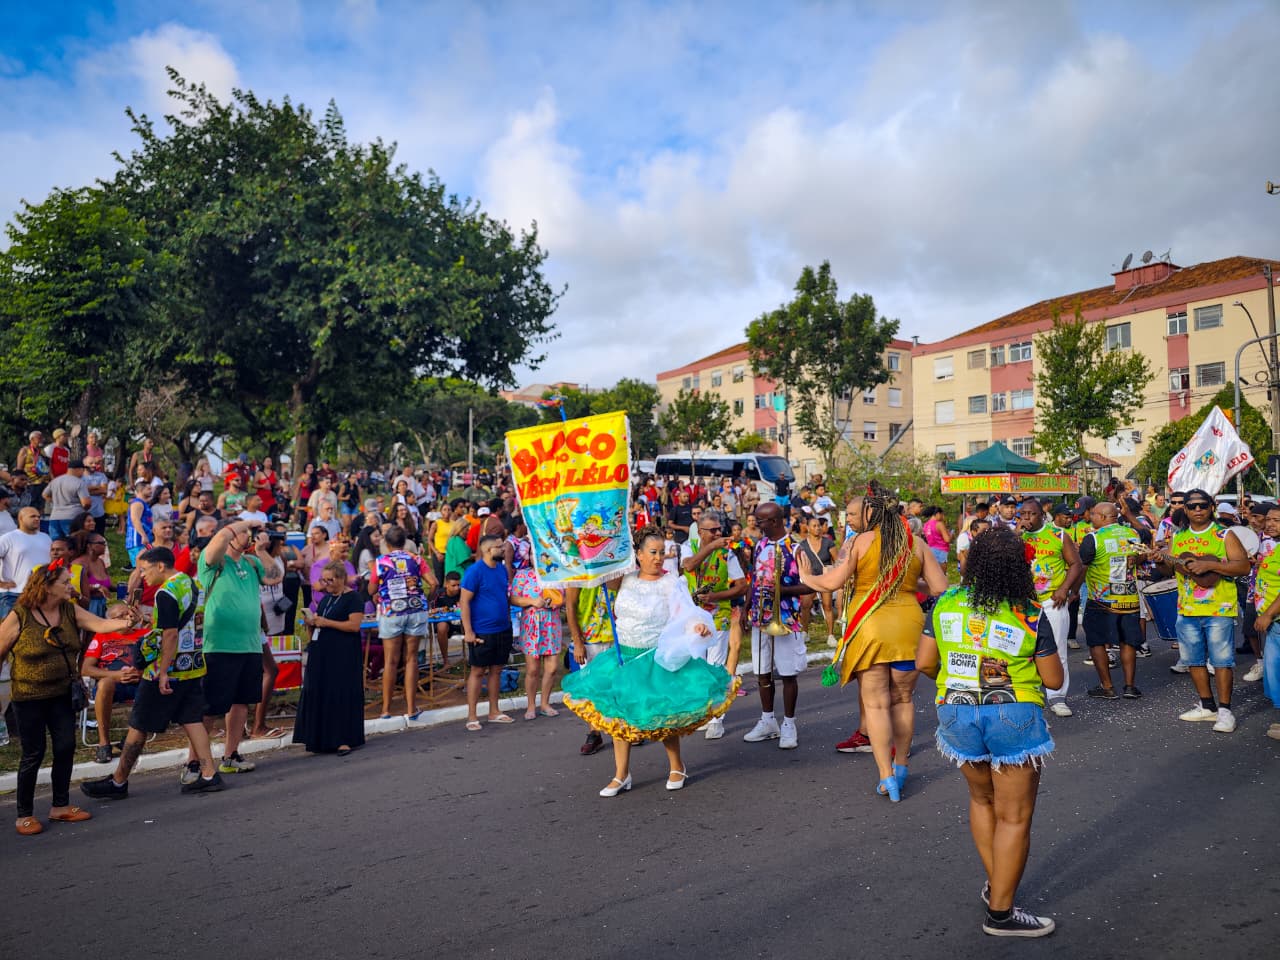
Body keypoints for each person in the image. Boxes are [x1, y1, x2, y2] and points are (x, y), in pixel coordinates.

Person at [915, 526, 1064, 938]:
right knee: (1014, 818)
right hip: (1013, 716)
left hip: (956, 712)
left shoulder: (945, 603)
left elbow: (925, 663)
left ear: (973, 562)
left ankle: (997, 885)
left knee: (982, 800)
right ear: (1019, 567)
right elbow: (1053, 679)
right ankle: (1001, 913)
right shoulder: (1029, 612)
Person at [561, 527, 739, 796]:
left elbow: (685, 613)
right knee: (619, 714)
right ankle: (621, 775)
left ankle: (677, 766)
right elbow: (597, 570)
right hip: (624, 658)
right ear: (639, 555)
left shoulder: (671, 582)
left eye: (662, 552)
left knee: (664, 714)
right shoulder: (624, 579)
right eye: (653, 552)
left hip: (657, 659)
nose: (658, 558)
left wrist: (697, 627)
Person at [798, 493, 947, 800]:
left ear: (870, 515)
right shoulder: (916, 543)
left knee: (876, 705)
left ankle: (886, 776)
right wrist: (908, 583)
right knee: (903, 699)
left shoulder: (859, 542)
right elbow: (939, 587)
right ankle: (902, 765)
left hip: (870, 628)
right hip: (908, 628)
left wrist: (806, 576)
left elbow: (832, 583)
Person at [80, 548, 226, 801]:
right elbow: (182, 623)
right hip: (192, 665)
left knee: (139, 724)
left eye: (144, 569)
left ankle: (118, 781)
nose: (142, 576)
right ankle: (209, 773)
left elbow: (170, 634)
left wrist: (163, 672)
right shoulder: (193, 584)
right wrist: (149, 623)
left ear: (160, 566)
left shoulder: (166, 592)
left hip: (165, 669)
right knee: (192, 720)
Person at [0, 560, 134, 834]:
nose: (70, 586)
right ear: (47, 586)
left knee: (65, 747)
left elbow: (100, 624)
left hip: (62, 693)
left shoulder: (69, 610)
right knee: (33, 753)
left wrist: (126, 621)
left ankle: (60, 805)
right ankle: (24, 814)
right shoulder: (20, 615)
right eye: (64, 582)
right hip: (28, 696)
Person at [1149, 489, 1250, 732]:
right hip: (1186, 609)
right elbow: (1169, 569)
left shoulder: (1224, 534)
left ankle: (1225, 711)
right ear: (1184, 509)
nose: (1197, 509)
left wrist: (1209, 565)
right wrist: (1161, 561)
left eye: (1202, 505)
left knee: (1222, 661)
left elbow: (1243, 566)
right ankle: (1207, 706)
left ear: (1211, 507)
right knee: (1193, 660)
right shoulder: (1178, 536)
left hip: (1219, 609)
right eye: (1192, 506)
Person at [199, 518, 280, 774]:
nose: (250, 535)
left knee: (241, 702)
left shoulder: (252, 562)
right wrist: (242, 523)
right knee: (211, 708)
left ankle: (231, 755)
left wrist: (262, 550)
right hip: (220, 645)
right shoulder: (214, 561)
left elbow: (275, 577)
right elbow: (216, 544)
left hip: (250, 644)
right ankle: (197, 762)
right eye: (246, 532)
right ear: (231, 534)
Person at [742, 502, 813, 749]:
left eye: (760, 521)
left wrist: (781, 590)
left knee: (788, 673)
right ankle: (768, 720)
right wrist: (746, 608)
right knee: (762, 671)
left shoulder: (796, 548)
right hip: (760, 617)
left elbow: (810, 585)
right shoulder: (760, 545)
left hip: (786, 618)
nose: (757, 525)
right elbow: (754, 579)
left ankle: (789, 724)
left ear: (773, 521)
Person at [680, 513, 747, 739]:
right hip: (693, 617)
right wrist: (711, 548)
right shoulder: (688, 547)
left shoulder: (728, 553)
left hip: (719, 615)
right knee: (697, 666)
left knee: (716, 665)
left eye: (720, 529)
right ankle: (704, 713)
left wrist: (716, 597)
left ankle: (717, 719)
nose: (719, 533)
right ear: (700, 532)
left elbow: (741, 586)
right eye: (713, 530)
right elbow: (689, 566)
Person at [1018, 498, 1083, 717]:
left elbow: (1076, 564)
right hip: (1024, 603)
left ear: (1042, 515)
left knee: (1057, 649)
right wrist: (1016, 534)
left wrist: (1065, 589)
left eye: (1031, 514)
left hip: (1051, 600)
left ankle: (1057, 697)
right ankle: (1029, 694)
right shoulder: (1015, 537)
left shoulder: (1058, 535)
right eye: (1023, 514)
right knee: (1023, 650)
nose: (1026, 518)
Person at [293, 559, 365, 755]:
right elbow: (319, 623)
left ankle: (343, 739)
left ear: (341, 578)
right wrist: (311, 623)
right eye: (323, 580)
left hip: (342, 653)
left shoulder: (353, 598)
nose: (326, 584)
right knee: (320, 692)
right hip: (321, 652)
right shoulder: (325, 599)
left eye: (330, 580)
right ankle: (320, 738)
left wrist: (326, 622)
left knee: (339, 693)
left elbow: (354, 626)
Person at [1078, 502, 1145, 700]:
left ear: (1102, 517)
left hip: (1101, 600)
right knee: (1127, 642)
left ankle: (1107, 686)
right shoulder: (1132, 534)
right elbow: (1141, 556)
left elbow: (1082, 567)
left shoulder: (1093, 538)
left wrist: (1072, 591)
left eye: (1093, 514)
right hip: (1129, 598)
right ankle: (1130, 686)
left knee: (1097, 642)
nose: (1090, 517)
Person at [369, 525, 429, 721]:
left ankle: (386, 710)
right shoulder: (416, 559)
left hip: (391, 611)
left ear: (387, 543)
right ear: (404, 542)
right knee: (411, 659)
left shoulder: (381, 561)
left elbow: (371, 589)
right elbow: (435, 582)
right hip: (415, 609)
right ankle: (411, 708)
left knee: (390, 661)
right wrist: (424, 597)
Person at [460, 535, 515, 729]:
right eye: (499, 547)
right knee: (477, 671)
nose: (504, 549)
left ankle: (494, 711)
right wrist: (468, 631)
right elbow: (464, 601)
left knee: (497, 670)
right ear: (487, 550)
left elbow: (505, 596)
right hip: (482, 630)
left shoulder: (501, 569)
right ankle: (472, 716)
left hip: (502, 628)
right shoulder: (474, 572)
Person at [80, 605, 146, 763]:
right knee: (105, 684)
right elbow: (85, 669)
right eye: (121, 615)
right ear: (110, 621)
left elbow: (159, 662)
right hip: (110, 685)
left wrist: (141, 673)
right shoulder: (101, 636)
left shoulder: (144, 635)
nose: (127, 618)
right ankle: (104, 743)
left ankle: (130, 738)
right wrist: (115, 675)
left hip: (139, 682)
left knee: (152, 686)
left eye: (128, 613)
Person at [566, 582, 616, 755]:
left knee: (616, 685)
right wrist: (577, 642)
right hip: (589, 639)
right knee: (591, 690)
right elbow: (570, 606)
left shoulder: (614, 569)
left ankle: (620, 729)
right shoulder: (577, 573)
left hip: (615, 636)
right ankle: (595, 732)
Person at [511, 565, 563, 719]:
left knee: (552, 668)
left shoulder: (556, 573)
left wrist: (557, 602)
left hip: (551, 624)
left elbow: (567, 596)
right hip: (531, 624)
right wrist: (532, 601)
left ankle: (545, 703)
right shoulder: (523, 575)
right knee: (532, 669)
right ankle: (531, 705)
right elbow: (513, 598)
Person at [0, 507, 53, 621]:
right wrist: (1, 583)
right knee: (8, 629)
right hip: (14, 594)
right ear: (21, 518)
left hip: (40, 593)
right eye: (32, 516)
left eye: (38, 517)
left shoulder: (46, 538)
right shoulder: (8, 538)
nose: (37, 519)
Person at [43, 458, 91, 541]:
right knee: (74, 542)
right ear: (78, 469)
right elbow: (86, 503)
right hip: (73, 517)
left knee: (57, 543)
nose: (83, 473)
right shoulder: (79, 482)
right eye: (83, 470)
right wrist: (84, 511)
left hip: (55, 517)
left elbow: (45, 495)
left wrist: (56, 502)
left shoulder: (55, 481)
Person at [125, 479, 154, 567]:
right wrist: (143, 535)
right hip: (137, 541)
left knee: (149, 565)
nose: (151, 491)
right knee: (140, 567)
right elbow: (135, 520)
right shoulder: (137, 503)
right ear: (141, 490)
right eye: (148, 489)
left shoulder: (144, 503)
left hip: (146, 540)